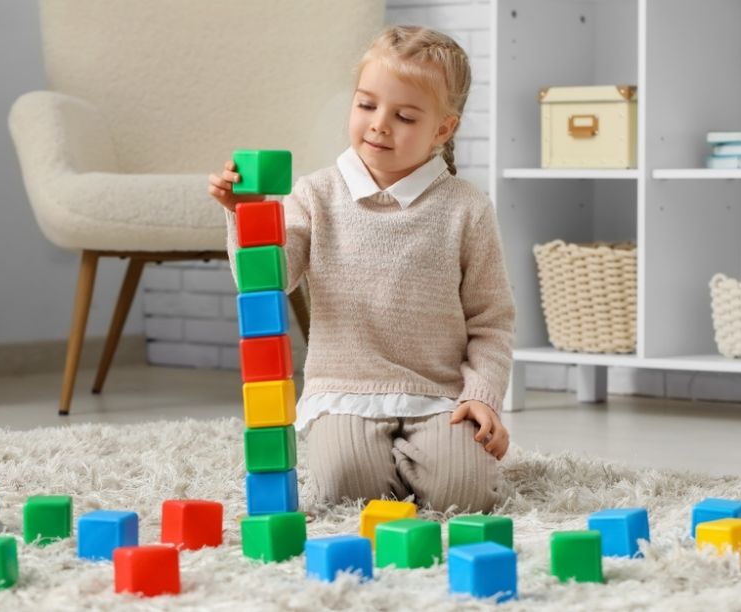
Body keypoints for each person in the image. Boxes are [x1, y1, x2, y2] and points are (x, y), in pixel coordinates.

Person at [209, 25, 515, 513]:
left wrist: (481, 395)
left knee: (466, 494)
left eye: (405, 115)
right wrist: (244, 212)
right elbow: (271, 277)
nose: (379, 125)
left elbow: (490, 320)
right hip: (345, 390)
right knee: (346, 490)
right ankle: (391, 462)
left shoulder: (468, 208)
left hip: (438, 394)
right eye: (367, 105)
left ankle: (430, 459)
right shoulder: (314, 194)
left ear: (443, 129)